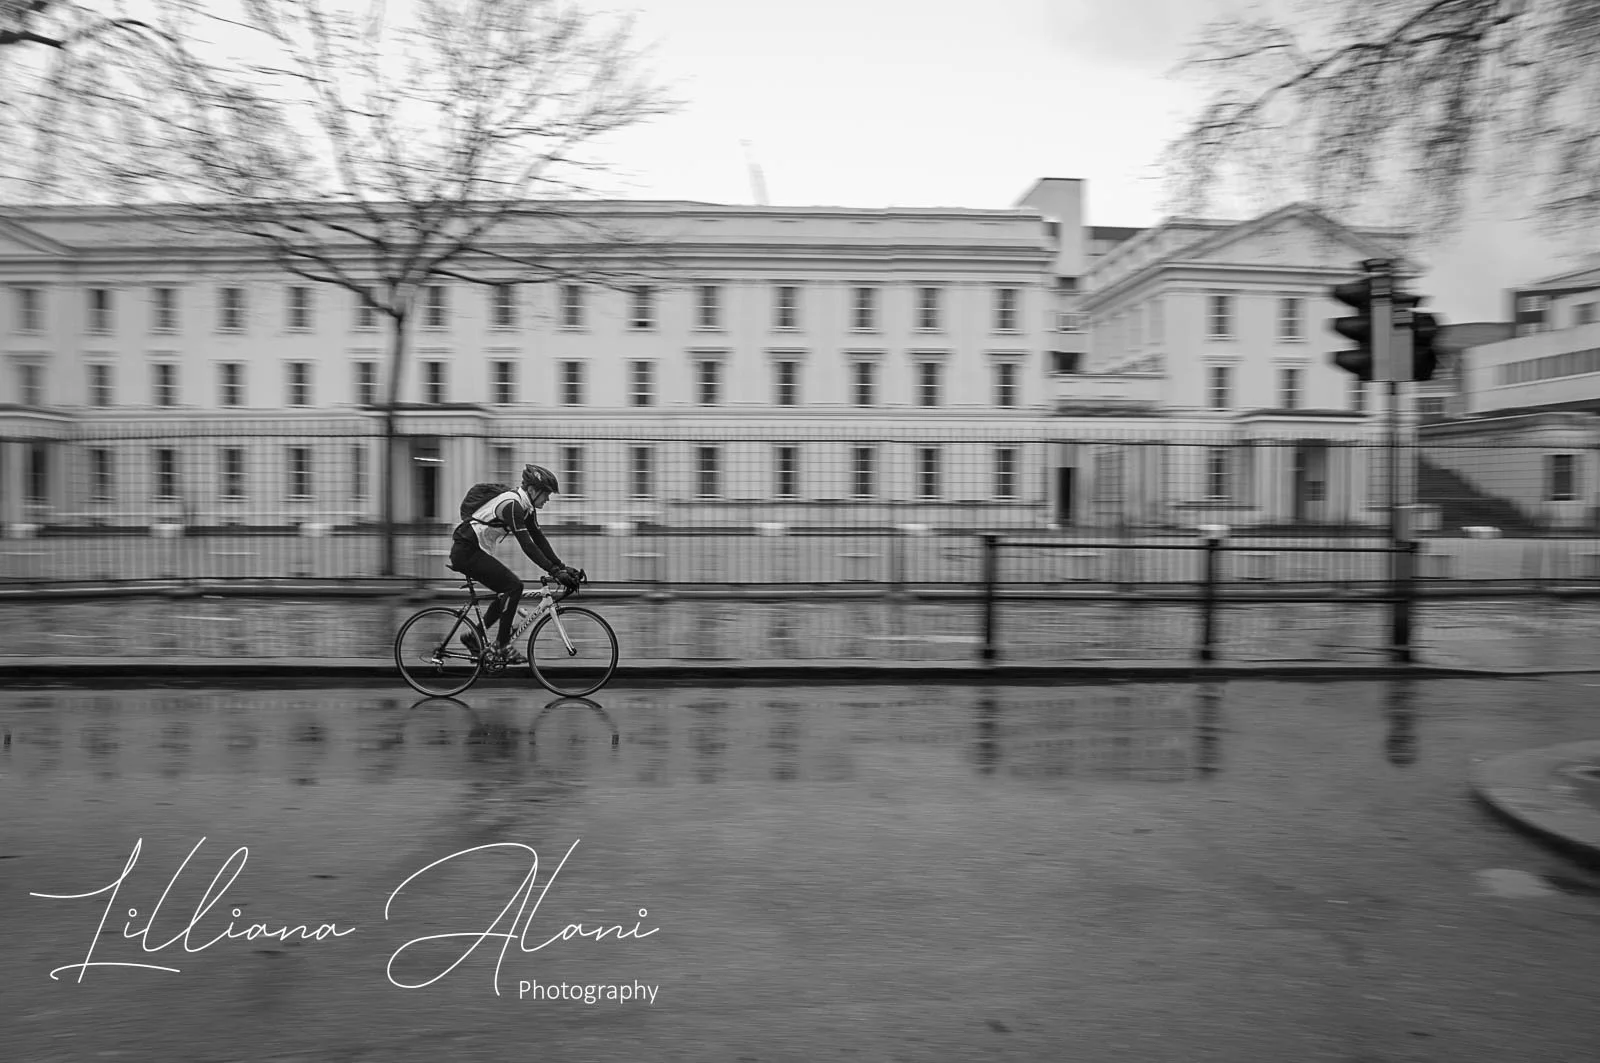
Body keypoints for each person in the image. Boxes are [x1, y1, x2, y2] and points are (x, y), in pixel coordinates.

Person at [450, 463, 581, 664]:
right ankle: (501, 646)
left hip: (473, 550)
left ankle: (473, 635)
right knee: (513, 586)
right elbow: (527, 545)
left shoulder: (525, 507)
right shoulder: (512, 505)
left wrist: (561, 567)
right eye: (546, 493)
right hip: (466, 550)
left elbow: (539, 539)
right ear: (532, 490)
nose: (547, 499)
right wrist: (554, 571)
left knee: (506, 592)